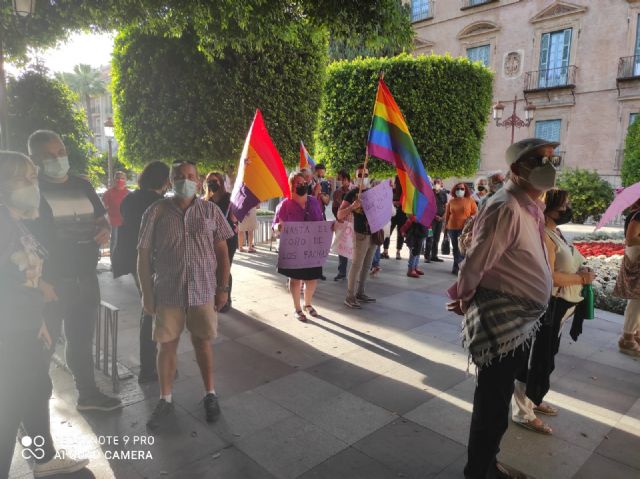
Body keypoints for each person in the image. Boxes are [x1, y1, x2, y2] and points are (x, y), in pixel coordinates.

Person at [447, 138, 559, 479]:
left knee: (498, 398)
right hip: (503, 321)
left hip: (520, 322)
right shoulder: (506, 206)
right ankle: (479, 471)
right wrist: (463, 296)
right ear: (515, 169)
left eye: (551, 159)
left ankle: (487, 462)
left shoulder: (529, 204)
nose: (548, 166)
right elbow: (476, 262)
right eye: (538, 159)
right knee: (493, 403)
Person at [0, 151, 89, 478]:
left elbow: (21, 278)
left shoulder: (15, 221)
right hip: (9, 335)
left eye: (32, 177)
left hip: (25, 328)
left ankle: (43, 457)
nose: (32, 184)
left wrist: (37, 321)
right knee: (8, 410)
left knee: (35, 391)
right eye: (22, 178)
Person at [26, 130, 122, 412]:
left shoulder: (82, 185)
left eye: (61, 152)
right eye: (50, 155)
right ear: (35, 159)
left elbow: (100, 219)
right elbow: (25, 238)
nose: (59, 159)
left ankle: (88, 395)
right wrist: (40, 280)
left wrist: (104, 229)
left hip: (86, 278)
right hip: (52, 283)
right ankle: (32, 411)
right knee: (44, 345)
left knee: (81, 341)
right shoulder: (32, 191)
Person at [138, 161, 232, 429]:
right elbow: (142, 255)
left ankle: (210, 394)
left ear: (199, 180)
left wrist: (222, 288)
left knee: (203, 343)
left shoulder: (211, 211)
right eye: (179, 176)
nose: (185, 180)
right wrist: (146, 293)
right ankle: (165, 399)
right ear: (170, 181)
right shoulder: (155, 211)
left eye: (190, 176)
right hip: (167, 292)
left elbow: (223, 252)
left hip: (203, 290)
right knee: (166, 346)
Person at [511, 189, 595, 435]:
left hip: (560, 309)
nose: (567, 209)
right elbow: (548, 278)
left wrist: (583, 269)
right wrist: (581, 277)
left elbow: (570, 261)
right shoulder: (543, 236)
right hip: (547, 307)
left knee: (546, 358)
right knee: (536, 360)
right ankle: (522, 412)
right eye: (564, 205)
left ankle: (533, 400)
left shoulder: (556, 232)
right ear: (547, 209)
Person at [112, 161, 171, 384]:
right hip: (157, 263)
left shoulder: (130, 199)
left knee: (148, 309)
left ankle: (149, 366)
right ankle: (154, 367)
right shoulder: (161, 204)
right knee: (159, 313)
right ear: (165, 180)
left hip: (137, 262)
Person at [273, 172, 325, 322]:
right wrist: (278, 227)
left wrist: (330, 227)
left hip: (312, 248)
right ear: (291, 185)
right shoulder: (284, 204)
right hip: (294, 249)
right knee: (295, 279)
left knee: (312, 279)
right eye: (298, 183)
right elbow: (275, 226)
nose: (302, 185)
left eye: (304, 183)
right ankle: (297, 308)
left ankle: (308, 304)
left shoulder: (314, 202)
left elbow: (321, 221)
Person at [338, 164, 378, 309]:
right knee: (357, 265)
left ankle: (360, 293)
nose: (363, 178)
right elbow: (340, 214)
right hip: (360, 234)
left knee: (366, 265)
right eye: (360, 175)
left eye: (365, 175)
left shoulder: (373, 193)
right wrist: (352, 207)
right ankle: (350, 296)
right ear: (355, 177)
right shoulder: (352, 193)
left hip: (373, 234)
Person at [205, 171, 238, 313]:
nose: (212, 184)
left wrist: (235, 216)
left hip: (228, 239)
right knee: (213, 268)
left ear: (221, 182)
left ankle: (226, 298)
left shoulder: (230, 199)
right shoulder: (206, 201)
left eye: (215, 181)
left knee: (225, 266)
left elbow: (237, 218)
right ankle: (214, 295)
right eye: (209, 181)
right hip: (211, 239)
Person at [615, 198, 640, 356]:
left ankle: (635, 333)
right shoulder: (638, 215)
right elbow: (630, 239)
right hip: (637, 258)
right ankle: (627, 338)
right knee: (637, 299)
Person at [444, 182, 477, 275]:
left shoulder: (470, 200)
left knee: (462, 248)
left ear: (465, 190)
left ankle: (460, 266)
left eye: (462, 189)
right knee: (455, 248)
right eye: (458, 188)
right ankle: (456, 266)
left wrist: (471, 218)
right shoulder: (451, 201)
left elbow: (475, 213)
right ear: (455, 190)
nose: (460, 190)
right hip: (452, 228)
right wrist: (445, 229)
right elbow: (447, 216)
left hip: (464, 228)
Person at [102, 171, 129, 255]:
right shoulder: (108, 193)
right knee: (114, 242)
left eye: (122, 178)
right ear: (114, 180)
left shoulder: (129, 194)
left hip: (126, 223)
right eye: (117, 178)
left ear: (125, 180)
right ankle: (113, 263)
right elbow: (103, 209)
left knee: (125, 243)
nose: (120, 180)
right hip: (114, 223)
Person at [332, 170, 352, 281]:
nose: (341, 181)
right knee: (342, 247)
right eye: (339, 179)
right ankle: (342, 271)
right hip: (341, 223)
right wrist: (337, 217)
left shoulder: (354, 191)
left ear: (348, 180)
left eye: (343, 179)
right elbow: (334, 207)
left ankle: (356, 273)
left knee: (353, 247)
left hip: (353, 223)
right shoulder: (337, 193)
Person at [382, 176, 406, 260]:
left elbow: (405, 202)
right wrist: (394, 202)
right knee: (388, 232)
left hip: (401, 214)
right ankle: (386, 251)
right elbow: (387, 199)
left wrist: (397, 202)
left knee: (400, 233)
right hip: (392, 213)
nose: (396, 183)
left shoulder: (404, 191)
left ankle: (397, 251)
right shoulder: (392, 190)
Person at [424, 177, 447, 263]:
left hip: (440, 221)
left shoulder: (443, 194)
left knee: (437, 238)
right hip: (431, 220)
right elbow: (427, 207)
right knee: (430, 237)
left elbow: (446, 206)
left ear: (441, 184)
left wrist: (443, 217)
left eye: (438, 182)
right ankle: (427, 256)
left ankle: (434, 255)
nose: (437, 183)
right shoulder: (429, 193)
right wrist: (435, 216)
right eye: (435, 182)